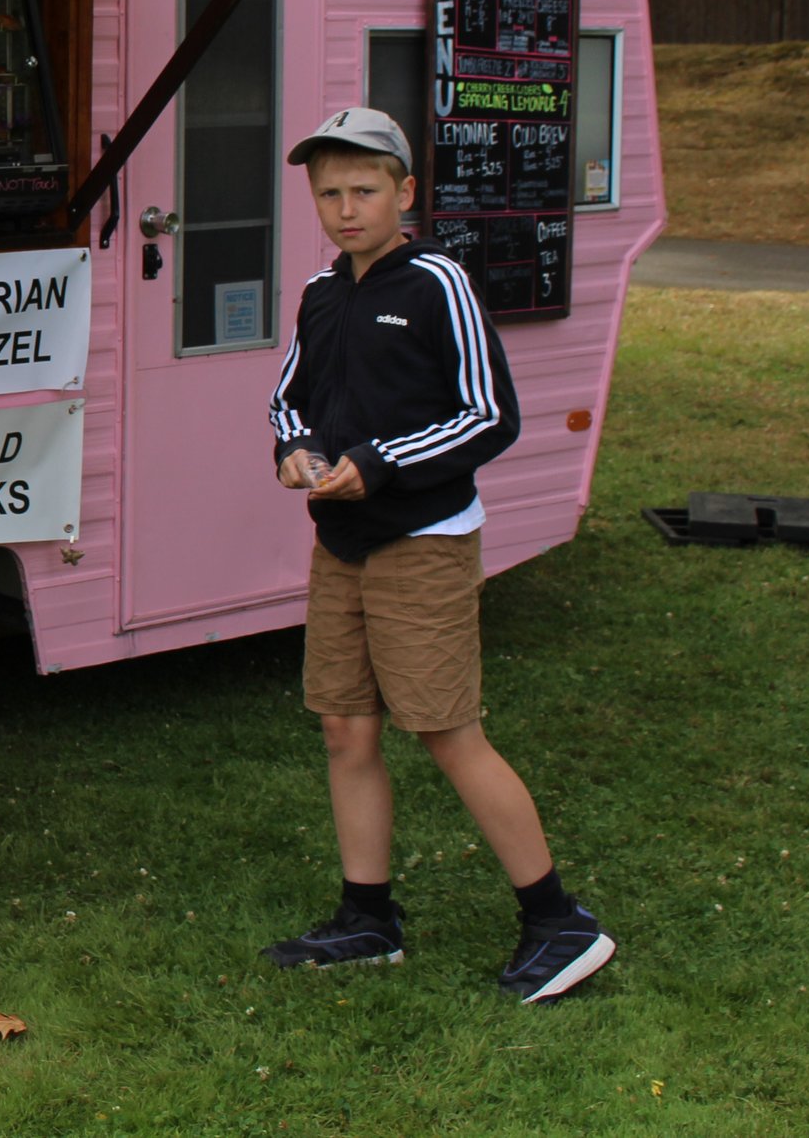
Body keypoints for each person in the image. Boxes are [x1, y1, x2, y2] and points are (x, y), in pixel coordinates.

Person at [262, 106, 615, 1003]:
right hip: (339, 543)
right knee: (346, 727)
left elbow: (490, 413)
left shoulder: (438, 282)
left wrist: (377, 465)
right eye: (329, 192)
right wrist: (295, 450)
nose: (347, 208)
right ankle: (368, 918)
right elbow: (287, 398)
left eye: (365, 190)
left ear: (405, 193)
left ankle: (559, 921)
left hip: (424, 543)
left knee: (446, 730)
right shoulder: (320, 292)